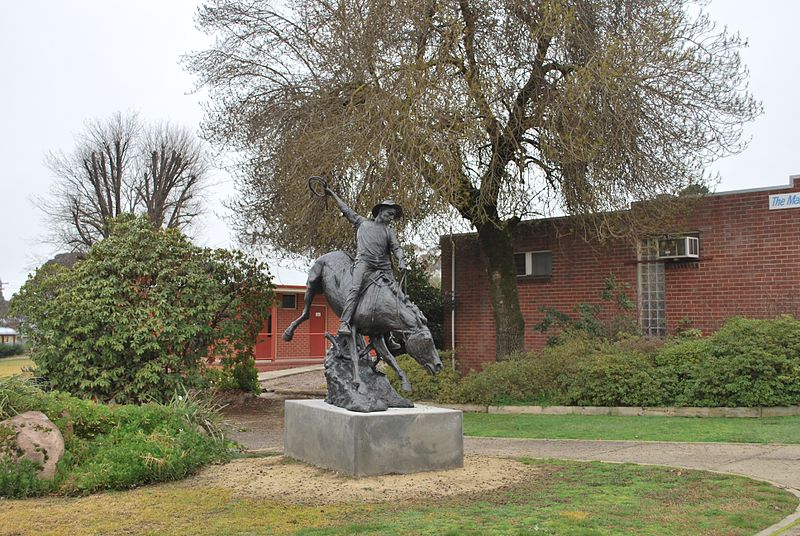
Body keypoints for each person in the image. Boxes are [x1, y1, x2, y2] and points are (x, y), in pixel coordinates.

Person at [324, 186, 408, 336]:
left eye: (392, 216)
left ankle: (388, 334)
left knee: (395, 295)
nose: (390, 218)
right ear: (381, 211)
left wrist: (401, 259)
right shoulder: (362, 223)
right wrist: (332, 193)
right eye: (389, 214)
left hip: (383, 266)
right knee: (355, 289)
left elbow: (397, 248)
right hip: (364, 263)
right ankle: (344, 323)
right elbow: (345, 208)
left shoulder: (389, 231)